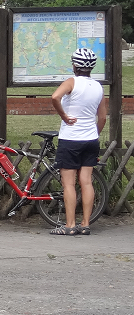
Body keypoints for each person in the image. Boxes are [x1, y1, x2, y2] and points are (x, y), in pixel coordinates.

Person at [48, 47, 106, 236]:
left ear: (75, 65)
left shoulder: (72, 82)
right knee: (86, 182)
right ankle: (86, 224)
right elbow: (103, 118)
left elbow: (55, 97)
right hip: (91, 139)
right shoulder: (98, 87)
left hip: (71, 139)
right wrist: (93, 133)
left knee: (69, 184)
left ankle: (70, 225)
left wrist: (64, 116)